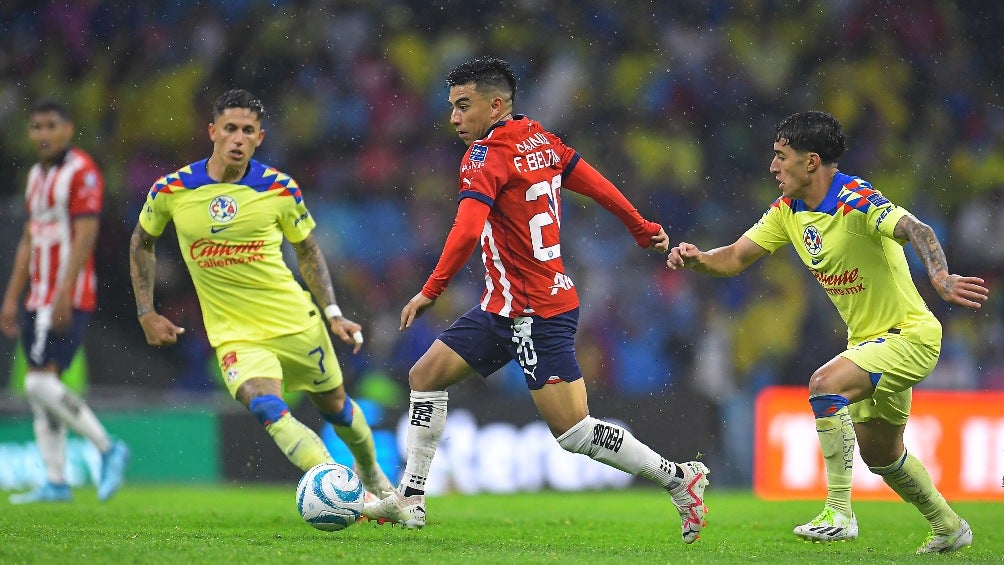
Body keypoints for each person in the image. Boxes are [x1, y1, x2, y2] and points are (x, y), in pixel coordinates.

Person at [362, 57, 710, 544]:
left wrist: (431, 290)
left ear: (495, 105)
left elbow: (466, 230)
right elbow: (594, 182)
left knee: (574, 433)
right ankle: (411, 498)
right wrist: (639, 226)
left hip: (534, 313)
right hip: (503, 307)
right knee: (425, 376)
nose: (454, 118)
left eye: (463, 106)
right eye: (452, 107)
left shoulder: (484, 156)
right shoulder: (538, 138)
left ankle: (678, 478)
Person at [667, 111, 988, 554]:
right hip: (869, 344)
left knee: (823, 384)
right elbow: (736, 256)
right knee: (882, 455)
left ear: (811, 161)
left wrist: (940, 276)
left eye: (782, 157)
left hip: (910, 336)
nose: (773, 167)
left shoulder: (855, 199)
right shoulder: (788, 211)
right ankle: (949, 526)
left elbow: (916, 228)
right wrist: (699, 259)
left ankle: (839, 513)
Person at [128, 89, 394, 498]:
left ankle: (372, 473)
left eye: (247, 131)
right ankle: (342, 492)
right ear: (212, 131)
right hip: (235, 334)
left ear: (260, 137)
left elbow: (308, 251)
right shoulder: (172, 189)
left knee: (337, 408)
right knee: (265, 404)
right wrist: (145, 310)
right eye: (230, 128)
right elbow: (141, 242)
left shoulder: (280, 189)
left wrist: (332, 311)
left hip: (294, 322)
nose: (238, 138)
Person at [1, 99, 130, 504]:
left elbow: (86, 236)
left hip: (65, 295)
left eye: (51, 125)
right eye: (36, 126)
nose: (43, 134)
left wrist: (63, 294)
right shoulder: (35, 176)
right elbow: (28, 241)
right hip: (36, 296)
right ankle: (56, 482)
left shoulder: (82, 172)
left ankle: (108, 448)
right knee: (43, 389)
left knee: (38, 383)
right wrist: (11, 298)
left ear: (68, 129)